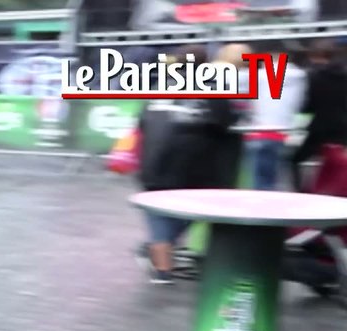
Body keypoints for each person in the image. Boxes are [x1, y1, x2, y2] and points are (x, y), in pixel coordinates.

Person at [135, 44, 241, 284]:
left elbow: (142, 121)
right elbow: (225, 121)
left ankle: (161, 268)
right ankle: (158, 256)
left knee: (158, 214)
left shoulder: (159, 85)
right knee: (196, 209)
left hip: (154, 161)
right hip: (191, 166)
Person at [237, 42, 306, 190]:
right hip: (285, 132)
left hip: (258, 131)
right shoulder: (300, 76)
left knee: (260, 182)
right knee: (279, 182)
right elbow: (300, 103)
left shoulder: (256, 76)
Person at [292, 39, 347, 189]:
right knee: (333, 163)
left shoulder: (313, 77)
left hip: (319, 128)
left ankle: (302, 191)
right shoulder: (343, 76)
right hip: (341, 128)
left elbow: (308, 105)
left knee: (295, 160)